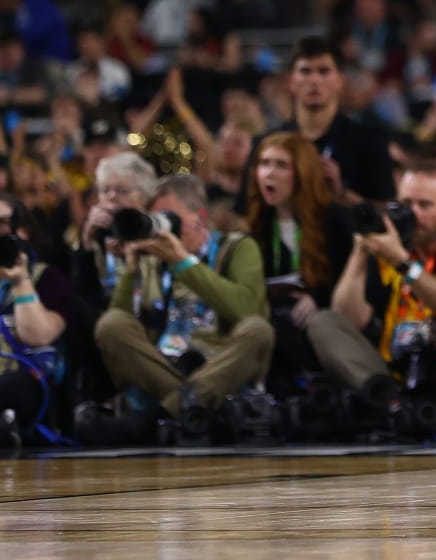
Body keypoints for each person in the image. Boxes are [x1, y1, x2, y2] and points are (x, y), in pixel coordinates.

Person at [307, 160, 436, 432]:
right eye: (407, 203)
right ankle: (390, 406)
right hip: (392, 373)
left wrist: (403, 263)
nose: (414, 214)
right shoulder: (386, 251)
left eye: (425, 205)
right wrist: (361, 252)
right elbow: (349, 318)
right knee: (323, 321)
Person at [81, 175, 273, 443]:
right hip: (163, 368)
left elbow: (246, 308)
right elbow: (115, 332)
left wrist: (183, 262)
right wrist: (131, 267)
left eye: (171, 218)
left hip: (219, 366)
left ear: (200, 217)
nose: (165, 229)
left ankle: (156, 418)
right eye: (157, 219)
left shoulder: (238, 247)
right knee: (111, 323)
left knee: (258, 329)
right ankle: (197, 411)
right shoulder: (151, 259)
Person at [244, 132, 354, 386]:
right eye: (264, 164)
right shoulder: (258, 227)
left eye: (281, 165)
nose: (269, 174)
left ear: (303, 173)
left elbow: (350, 279)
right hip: (275, 321)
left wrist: (318, 299)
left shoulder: (334, 220)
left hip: (324, 322)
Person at [260, 37, 395, 205]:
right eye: (305, 71)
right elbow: (246, 213)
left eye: (324, 71)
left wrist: (342, 194)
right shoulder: (268, 146)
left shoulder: (370, 142)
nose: (315, 80)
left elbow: (387, 212)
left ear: (340, 81)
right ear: (290, 82)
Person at [1, 194, 77, 444]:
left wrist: (20, 282)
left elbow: (38, 336)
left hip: (24, 383)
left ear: (21, 231)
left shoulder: (48, 279)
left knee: (12, 387)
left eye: (2, 223)